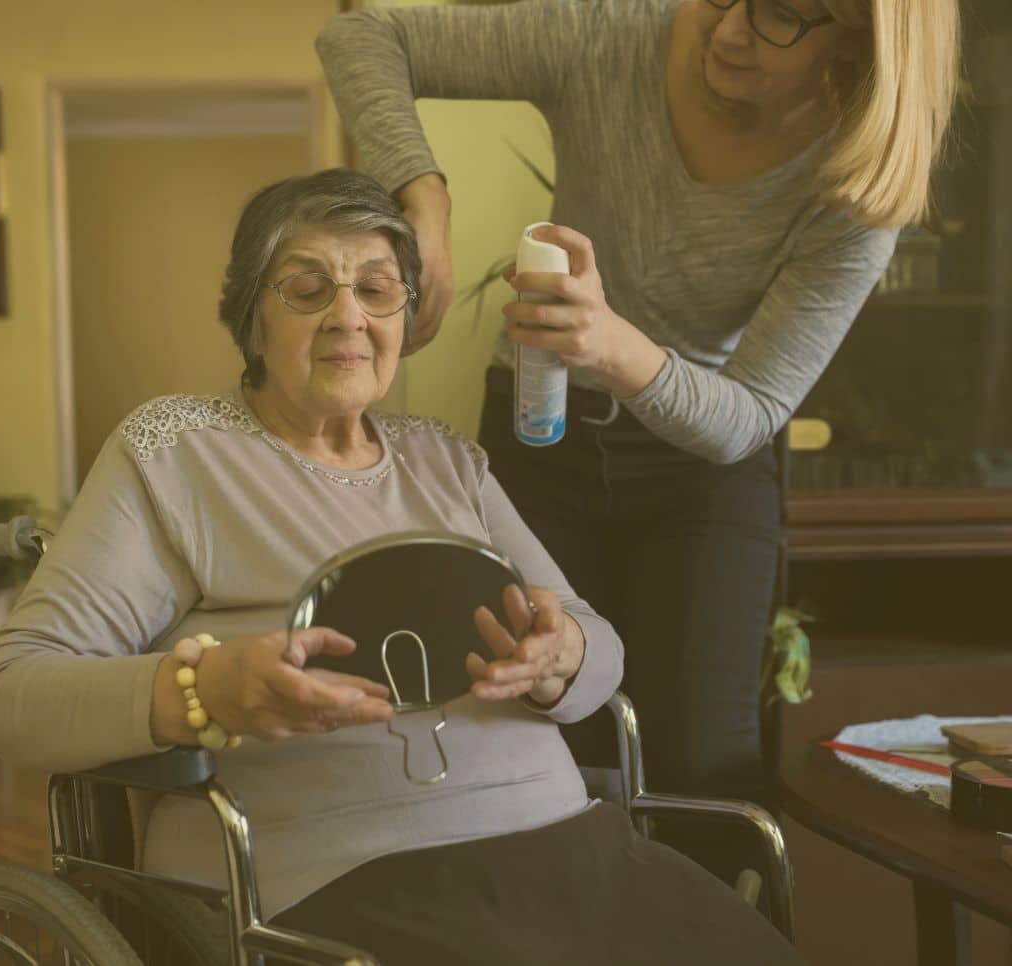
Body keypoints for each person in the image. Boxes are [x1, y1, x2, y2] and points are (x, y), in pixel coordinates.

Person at [0, 169, 802, 966]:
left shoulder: (444, 460)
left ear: (404, 314)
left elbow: (598, 645)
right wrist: (206, 692)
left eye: (376, 289)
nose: (348, 317)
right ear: (251, 317)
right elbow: (12, 695)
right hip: (339, 881)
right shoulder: (176, 456)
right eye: (307, 287)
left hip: (568, 850)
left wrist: (562, 657)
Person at [316, 0, 960, 884]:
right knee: (528, 731)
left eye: (778, 17)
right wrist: (419, 192)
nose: (728, 31)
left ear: (858, 37)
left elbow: (746, 415)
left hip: (704, 466)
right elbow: (360, 36)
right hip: (540, 436)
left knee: (703, 764)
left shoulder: (857, 182)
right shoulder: (614, 33)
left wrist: (608, 344)